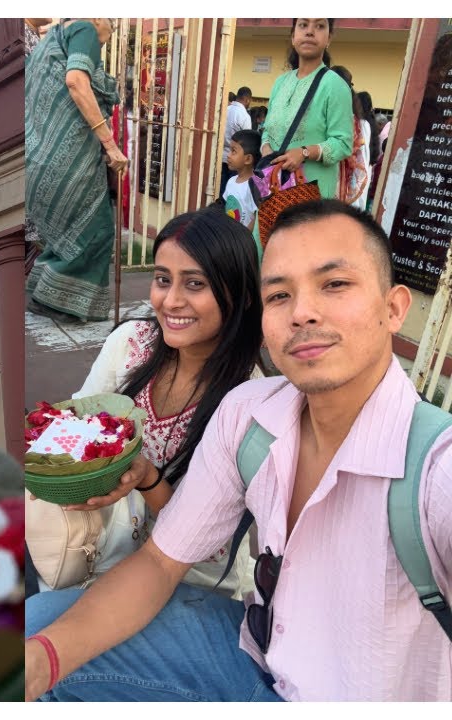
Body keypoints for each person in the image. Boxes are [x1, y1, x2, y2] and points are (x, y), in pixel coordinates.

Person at [25, 199, 452, 701]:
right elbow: (162, 563)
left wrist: (147, 479)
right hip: (257, 656)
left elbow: (206, 558)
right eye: (280, 294)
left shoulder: (433, 472)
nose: (303, 312)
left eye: (334, 284)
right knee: (33, 630)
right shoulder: (249, 414)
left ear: (393, 308)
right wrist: (45, 661)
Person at [26, 209, 263, 599]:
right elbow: (78, 426)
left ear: (239, 296)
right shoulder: (130, 344)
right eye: (162, 279)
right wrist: (58, 470)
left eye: (195, 283)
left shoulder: (248, 399)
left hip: (187, 582)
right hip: (100, 555)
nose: (171, 301)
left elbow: (207, 543)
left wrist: (147, 478)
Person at [25, 18, 128, 324]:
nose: (103, 45)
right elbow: (76, 82)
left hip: (37, 157)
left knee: (63, 236)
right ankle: (63, 304)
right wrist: (110, 145)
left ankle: (45, 296)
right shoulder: (83, 29)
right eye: (107, 37)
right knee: (97, 231)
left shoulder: (46, 43)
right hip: (69, 156)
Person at [259, 19, 354, 200]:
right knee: (271, 228)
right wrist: (266, 149)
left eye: (319, 26)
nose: (310, 32)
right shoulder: (280, 83)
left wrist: (304, 152)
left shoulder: (335, 85)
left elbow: (343, 144)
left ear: (329, 39)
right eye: (303, 25)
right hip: (273, 188)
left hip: (309, 194)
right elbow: (267, 130)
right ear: (293, 36)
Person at [331, 66, 372, 209]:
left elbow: (362, 163)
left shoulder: (361, 125)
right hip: (348, 195)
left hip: (344, 193)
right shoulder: (363, 124)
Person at [222, 129, 265, 254]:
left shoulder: (254, 186)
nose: (229, 155)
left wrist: (241, 241)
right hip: (230, 241)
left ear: (248, 159)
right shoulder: (231, 181)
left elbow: (255, 219)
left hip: (243, 246)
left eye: (233, 151)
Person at [221, 87, 254, 191]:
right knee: (233, 187)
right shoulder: (244, 116)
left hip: (220, 156)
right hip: (236, 159)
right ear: (247, 99)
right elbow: (247, 140)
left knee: (221, 186)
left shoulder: (225, 109)